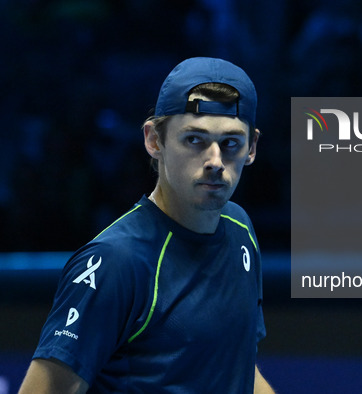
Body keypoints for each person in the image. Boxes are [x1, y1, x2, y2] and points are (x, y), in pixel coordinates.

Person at [19, 57, 274, 393]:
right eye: (194, 140)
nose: (215, 161)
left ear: (251, 148)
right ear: (154, 140)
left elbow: (234, 364)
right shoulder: (116, 261)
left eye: (231, 143)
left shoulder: (240, 229)